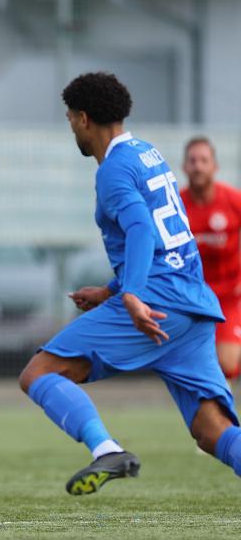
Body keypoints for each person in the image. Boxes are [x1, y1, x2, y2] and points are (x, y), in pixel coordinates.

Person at [18, 72, 241, 496]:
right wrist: (113, 289)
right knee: (212, 431)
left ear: (84, 119)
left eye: (69, 120)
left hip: (157, 301)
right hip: (192, 305)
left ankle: (106, 449)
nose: (71, 129)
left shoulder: (113, 170)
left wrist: (132, 293)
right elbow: (159, 234)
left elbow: (141, 228)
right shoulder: (146, 153)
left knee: (41, 373)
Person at [180, 137, 241, 382]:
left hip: (228, 297)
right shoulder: (176, 204)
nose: (198, 166)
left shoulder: (232, 200)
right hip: (191, 298)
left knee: (226, 363)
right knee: (193, 368)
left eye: (204, 160)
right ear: (185, 167)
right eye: (192, 161)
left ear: (214, 166)